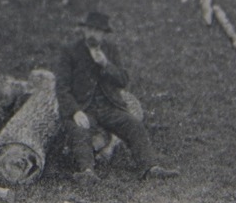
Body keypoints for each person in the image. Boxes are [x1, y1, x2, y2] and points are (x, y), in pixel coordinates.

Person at [56, 10, 169, 182]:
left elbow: (123, 80)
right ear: (84, 30)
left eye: (98, 31)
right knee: (80, 130)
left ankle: (150, 168)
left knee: (134, 125)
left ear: (103, 34)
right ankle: (86, 172)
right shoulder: (70, 51)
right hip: (84, 108)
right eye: (90, 29)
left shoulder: (111, 50)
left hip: (109, 106)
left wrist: (106, 65)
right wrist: (75, 111)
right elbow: (62, 87)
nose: (93, 34)